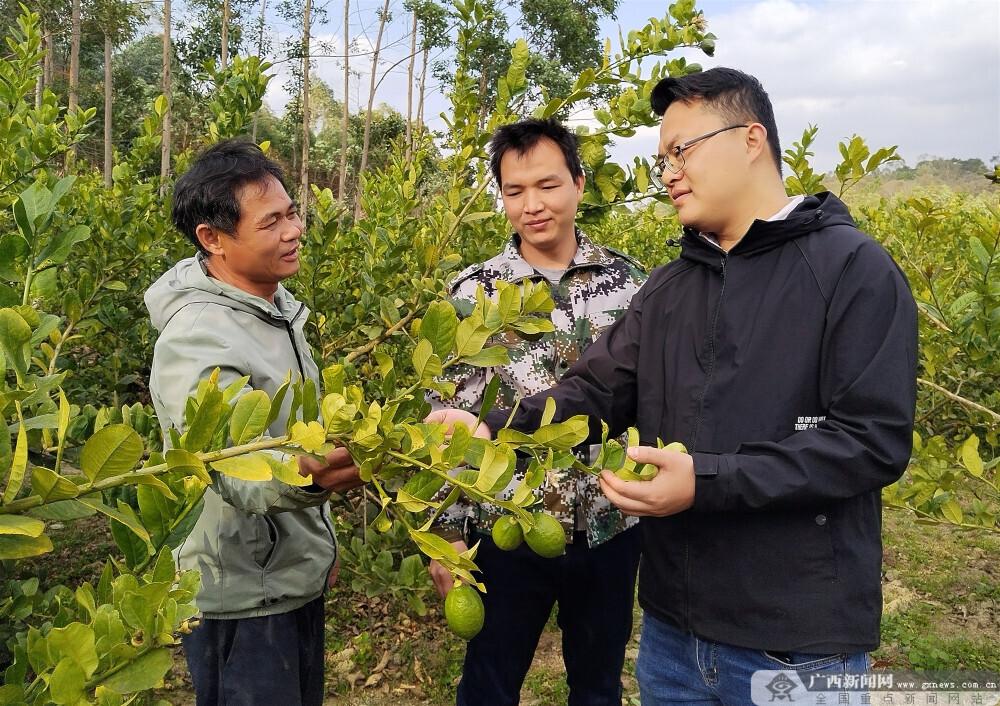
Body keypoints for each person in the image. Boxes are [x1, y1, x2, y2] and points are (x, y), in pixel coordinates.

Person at [428, 68, 918, 705]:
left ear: (750, 140)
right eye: (662, 158)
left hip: (793, 639)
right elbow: (595, 390)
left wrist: (705, 481)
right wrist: (494, 427)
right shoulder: (670, 288)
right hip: (674, 637)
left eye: (681, 150)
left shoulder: (852, 270)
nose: (667, 172)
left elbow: (871, 442)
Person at [427, 118, 647, 706]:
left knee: (598, 685)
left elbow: (654, 403)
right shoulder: (475, 293)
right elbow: (445, 421)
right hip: (508, 526)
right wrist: (445, 534)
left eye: (547, 186)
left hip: (609, 523)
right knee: (490, 683)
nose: (532, 205)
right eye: (515, 191)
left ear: (578, 184)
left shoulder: (631, 288)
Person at [146, 139, 362, 706]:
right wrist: (314, 478)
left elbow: (294, 433)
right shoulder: (197, 336)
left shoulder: (275, 311)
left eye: (292, 213)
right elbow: (238, 468)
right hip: (242, 592)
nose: (293, 231)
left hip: (286, 576)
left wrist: (317, 549)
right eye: (271, 222)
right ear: (212, 239)